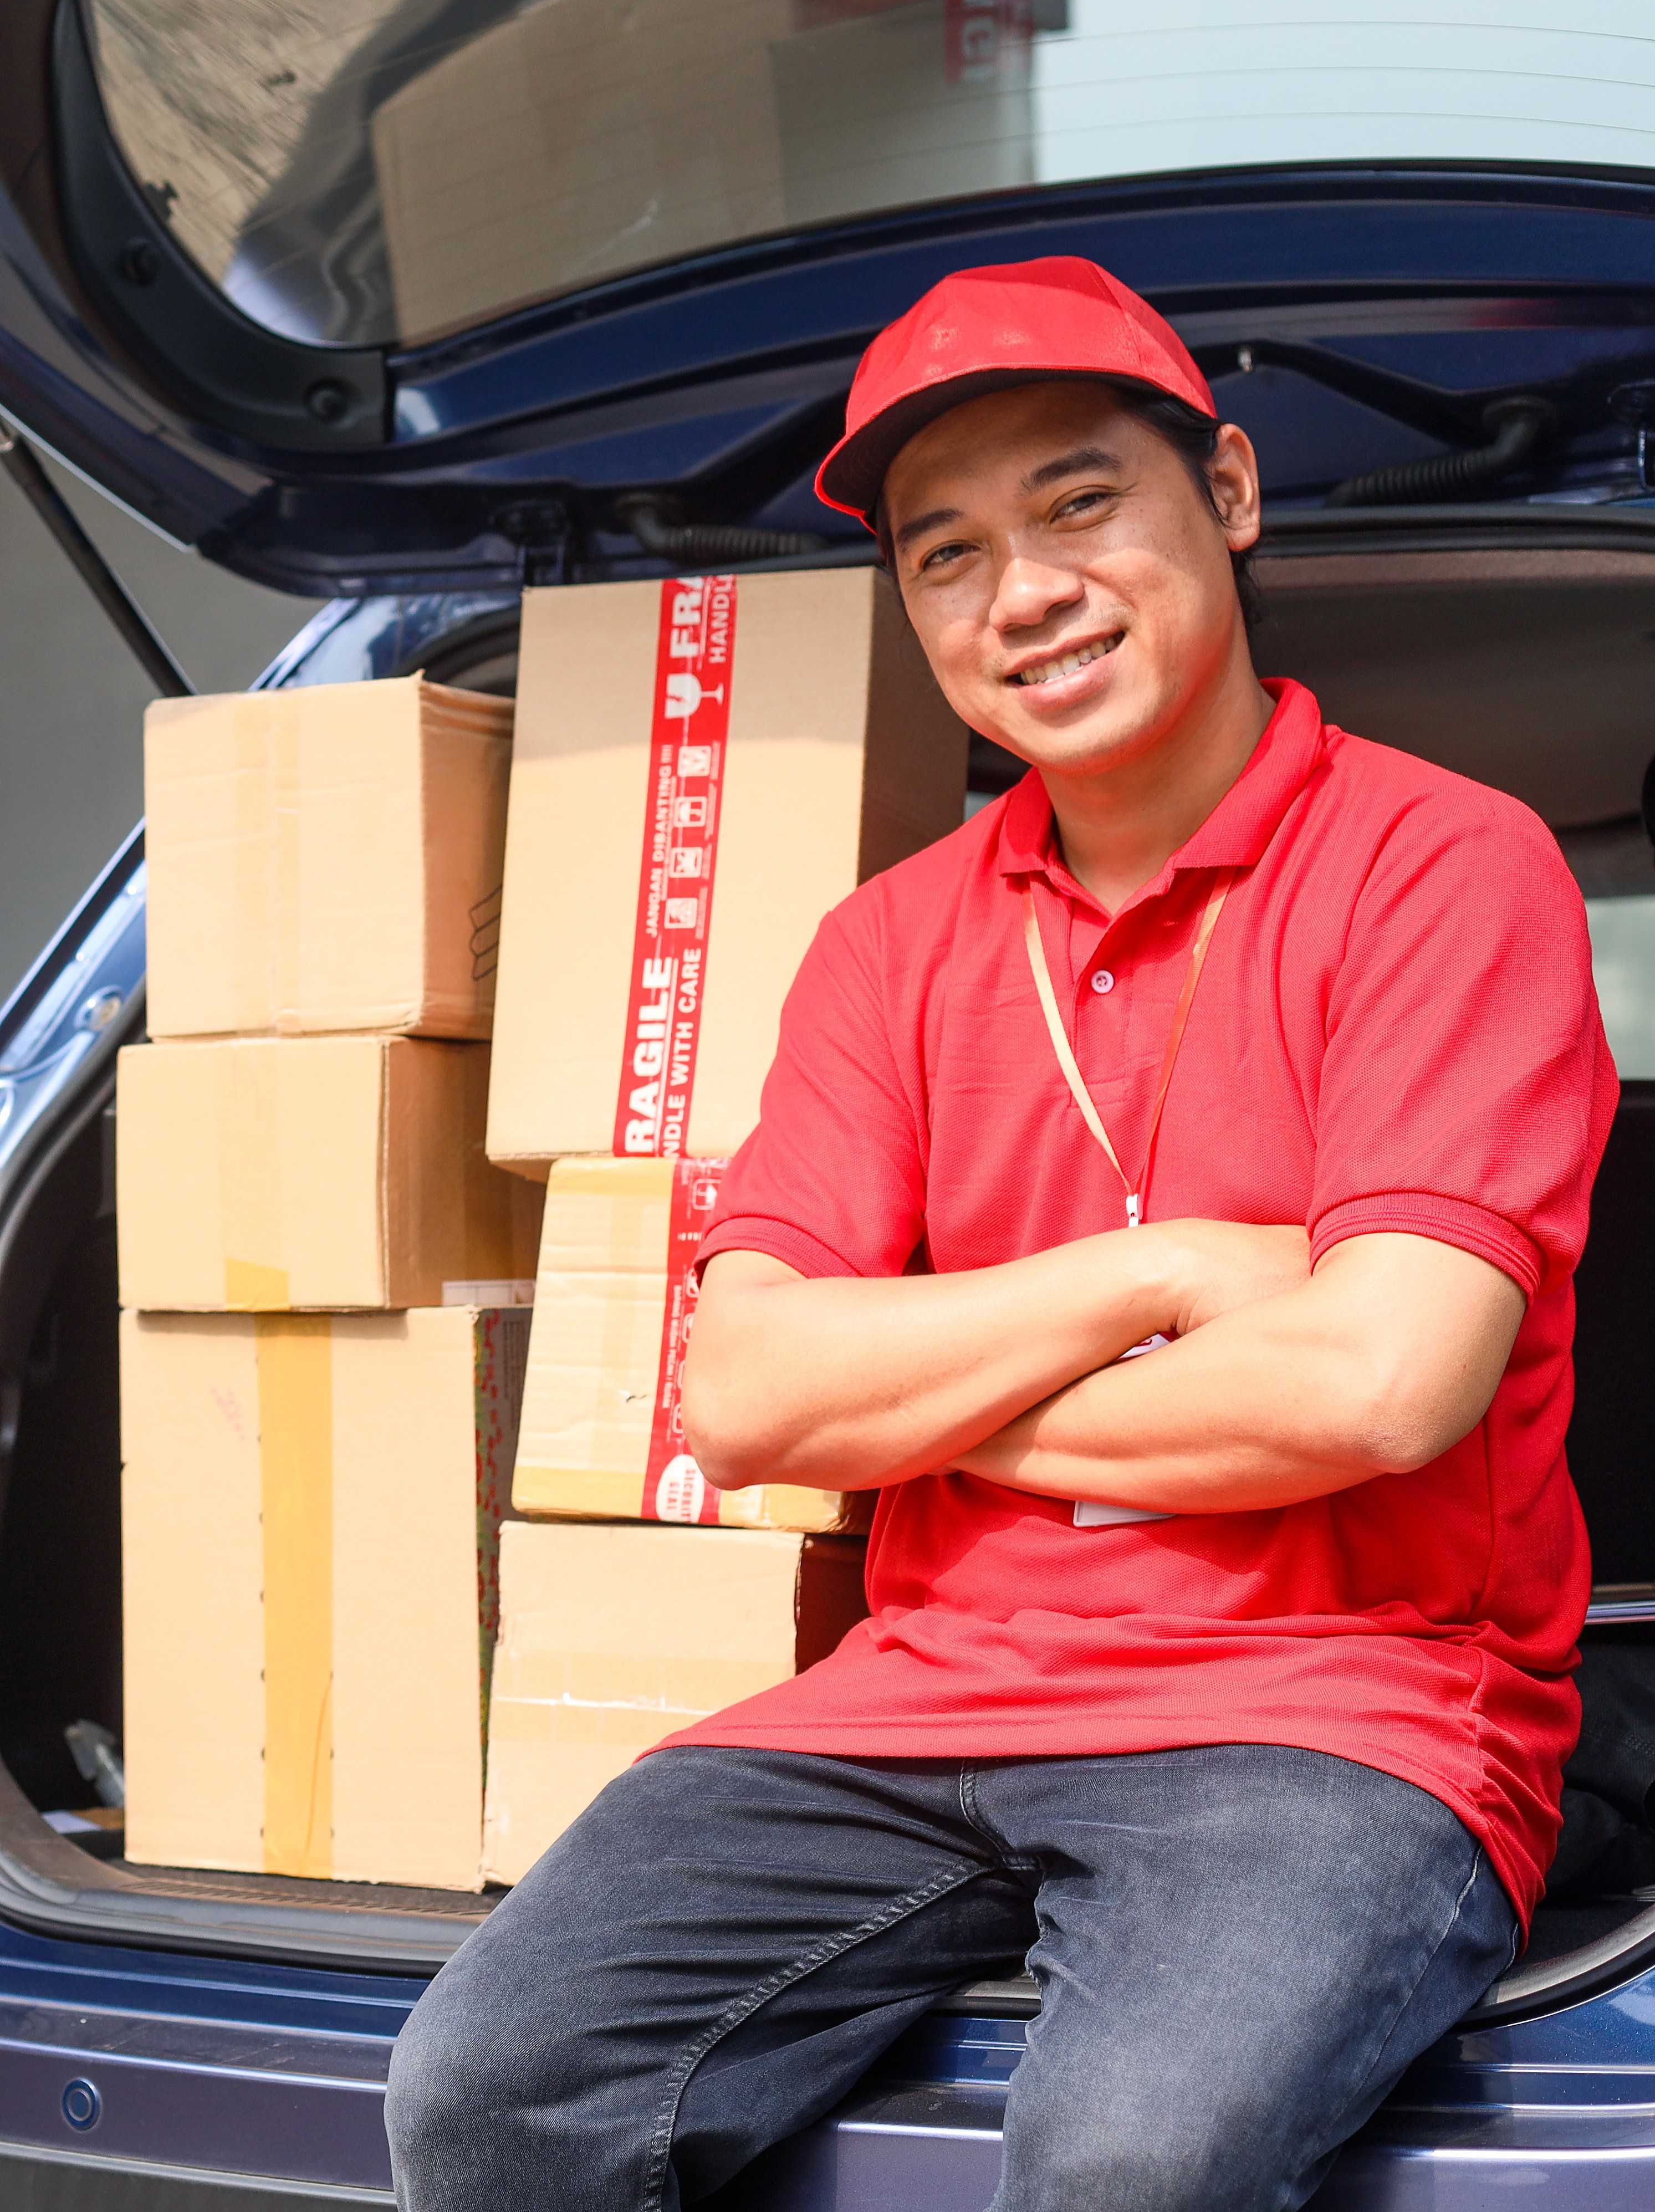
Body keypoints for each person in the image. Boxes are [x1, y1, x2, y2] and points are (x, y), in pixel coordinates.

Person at [386, 256, 1616, 2212]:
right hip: (918, 1696)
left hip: (1327, 1707)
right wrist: (1148, 1281)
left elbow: (1381, 1388)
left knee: (1137, 2157)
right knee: (486, 2091)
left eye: (1075, 503)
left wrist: (923, 1396)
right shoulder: (891, 941)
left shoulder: (1437, 862)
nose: (1019, 593)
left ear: (1224, 491)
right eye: (943, 555)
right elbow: (744, 1397)